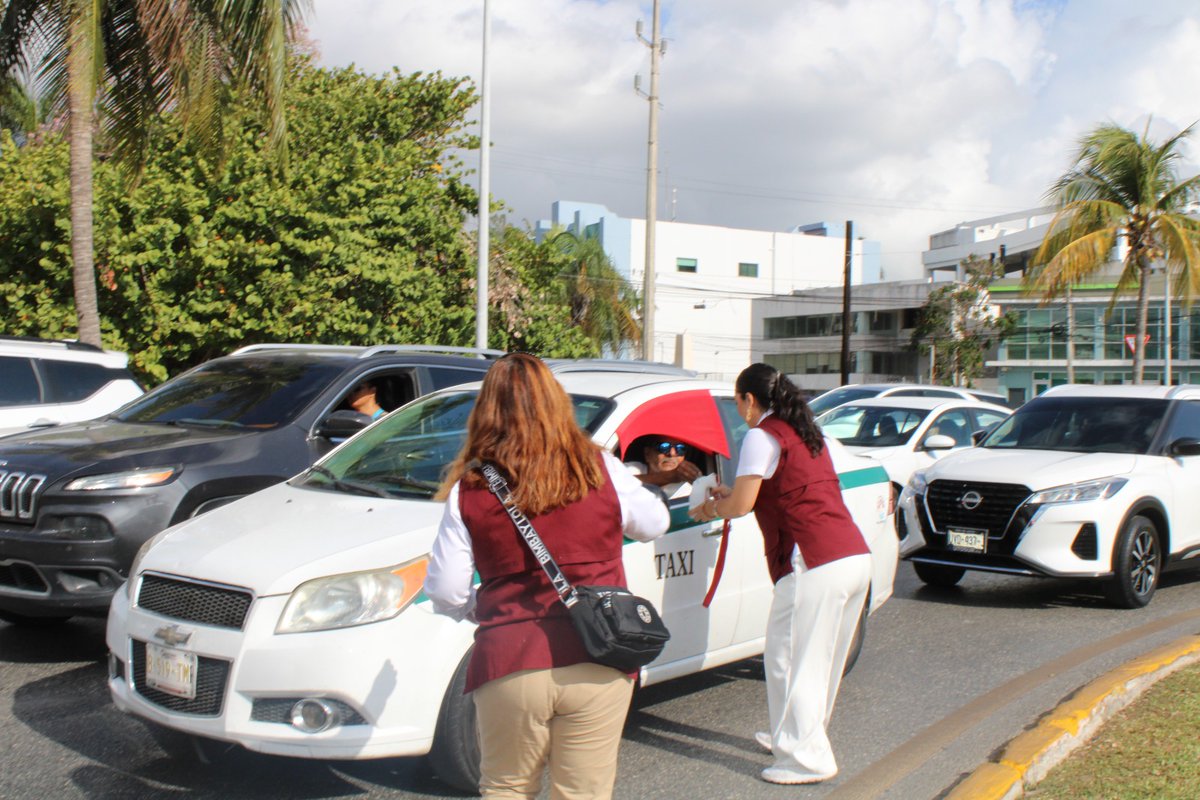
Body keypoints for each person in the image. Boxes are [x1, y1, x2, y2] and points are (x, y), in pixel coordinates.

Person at [424, 353, 670, 799]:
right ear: (558, 405)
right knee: (583, 792)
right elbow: (653, 524)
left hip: (508, 661)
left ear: (486, 412)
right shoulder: (601, 468)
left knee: (505, 787)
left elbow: (446, 590)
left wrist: (480, 608)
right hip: (599, 654)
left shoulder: (471, 487)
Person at [690, 363, 870, 785]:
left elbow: (741, 506)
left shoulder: (760, 434)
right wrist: (730, 494)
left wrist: (710, 506)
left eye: (738, 405)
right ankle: (793, 738)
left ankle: (807, 758)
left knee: (792, 657)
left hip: (813, 562)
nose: (740, 415)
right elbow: (774, 488)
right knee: (813, 659)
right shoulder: (806, 433)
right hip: (851, 555)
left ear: (750, 400)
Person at [628, 436, 703, 498]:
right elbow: (619, 484)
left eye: (680, 448)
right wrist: (669, 476)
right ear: (647, 454)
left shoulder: (688, 491)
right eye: (664, 447)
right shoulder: (632, 469)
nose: (672, 453)